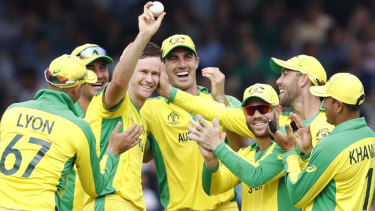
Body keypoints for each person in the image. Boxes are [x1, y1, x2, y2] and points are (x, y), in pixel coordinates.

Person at [0, 54, 142, 210]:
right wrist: (113, 150)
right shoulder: (78, 127)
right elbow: (96, 188)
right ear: (77, 88)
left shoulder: (12, 111)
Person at [141, 34, 244, 210]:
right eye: (173, 59)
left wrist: (222, 102)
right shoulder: (150, 109)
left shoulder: (225, 101)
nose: (182, 64)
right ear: (162, 67)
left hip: (225, 206)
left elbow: (243, 149)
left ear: (196, 61)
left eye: (187, 57)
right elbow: (142, 155)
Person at [83, 2, 165, 210]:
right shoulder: (114, 100)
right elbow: (119, 81)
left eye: (154, 73)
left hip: (135, 205)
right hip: (108, 201)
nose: (149, 79)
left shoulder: (142, 116)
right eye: (143, 71)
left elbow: (149, 155)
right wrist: (144, 35)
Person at [185, 83, 300, 210]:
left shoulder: (288, 145)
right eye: (250, 110)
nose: (256, 115)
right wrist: (210, 161)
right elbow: (213, 188)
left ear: (278, 111)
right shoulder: (246, 153)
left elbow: (256, 176)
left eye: (263, 108)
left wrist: (218, 147)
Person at [271, 73, 375, 210]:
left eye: (325, 100)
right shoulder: (370, 136)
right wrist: (307, 153)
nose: (323, 105)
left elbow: (297, 196)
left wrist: (290, 152)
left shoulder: (330, 145)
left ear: (338, 106)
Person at [60, 43, 113, 210]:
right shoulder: (62, 116)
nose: (98, 75)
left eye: (103, 68)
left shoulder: (117, 114)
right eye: (90, 69)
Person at [270, 54, 334, 147]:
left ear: (303, 79)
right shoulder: (275, 120)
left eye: (285, 75)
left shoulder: (333, 124)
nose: (278, 81)